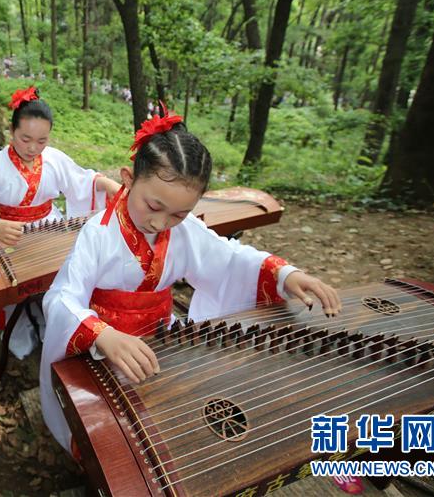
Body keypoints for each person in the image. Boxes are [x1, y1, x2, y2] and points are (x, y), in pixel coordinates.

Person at [38, 109, 341, 458]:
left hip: (163, 342)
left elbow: (228, 259)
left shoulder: (181, 230)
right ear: (128, 179)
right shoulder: (98, 233)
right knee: (117, 443)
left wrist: (285, 274)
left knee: (166, 428)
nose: (161, 222)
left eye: (179, 214)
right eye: (154, 205)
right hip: (104, 349)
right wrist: (102, 334)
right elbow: (62, 297)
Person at [0, 86, 121, 358]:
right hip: (8, 234)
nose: (33, 148)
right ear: (11, 132)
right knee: (16, 291)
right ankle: (19, 332)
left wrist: (106, 183)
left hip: (49, 229)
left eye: (42, 141)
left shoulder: (54, 159)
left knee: (60, 280)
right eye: (25, 139)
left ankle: (57, 323)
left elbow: (81, 182)